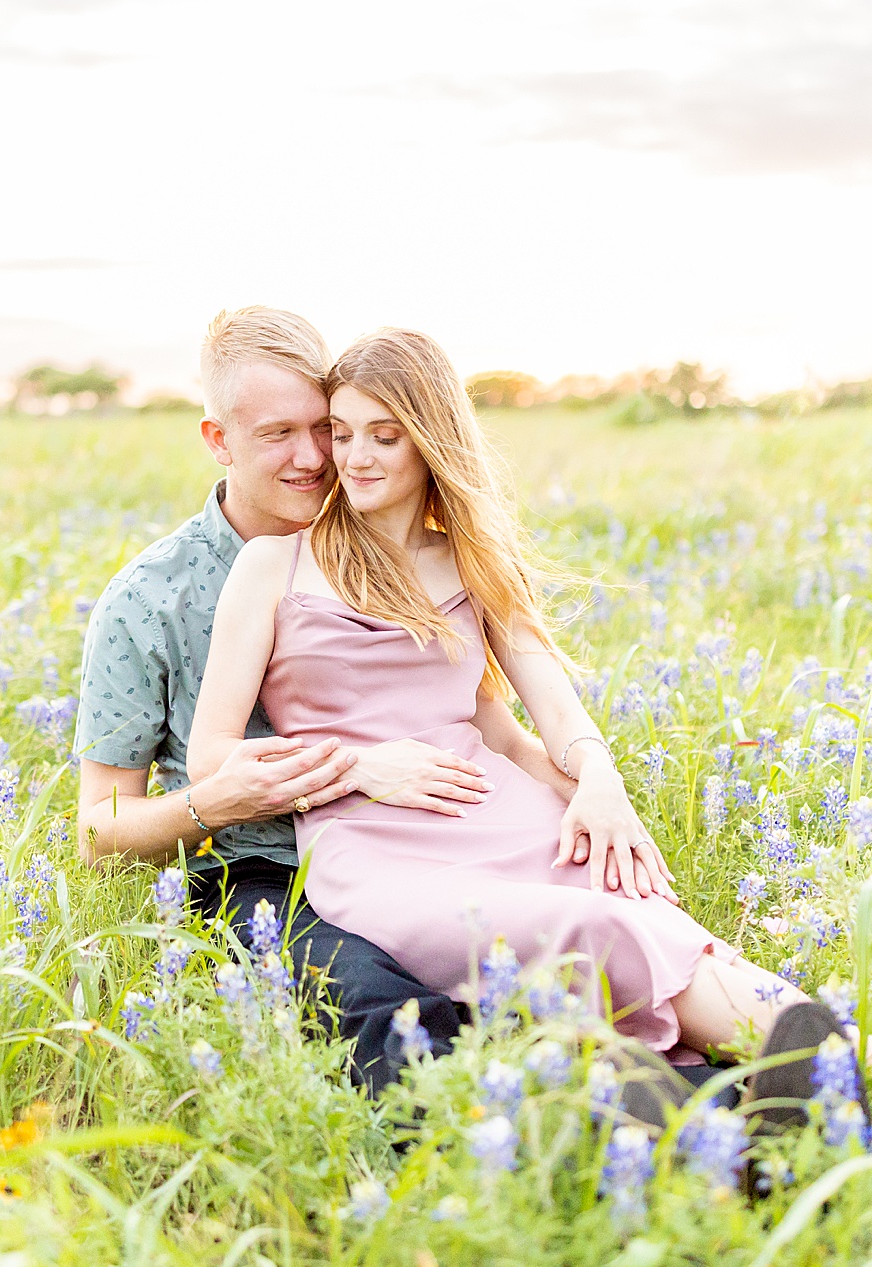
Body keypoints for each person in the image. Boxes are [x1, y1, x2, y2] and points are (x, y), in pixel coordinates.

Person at [187, 326, 872, 1120]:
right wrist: (356, 764)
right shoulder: (274, 564)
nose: (354, 457)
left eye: (385, 435)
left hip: (507, 811)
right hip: (376, 848)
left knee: (646, 907)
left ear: (432, 443)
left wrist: (602, 786)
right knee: (605, 931)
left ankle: (834, 1092)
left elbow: (547, 702)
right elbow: (211, 757)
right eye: (343, 434)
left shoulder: (466, 559)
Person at [75, 306, 577, 1095]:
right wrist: (210, 804)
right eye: (278, 434)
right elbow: (101, 829)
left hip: (431, 842)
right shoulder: (150, 599)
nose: (314, 458)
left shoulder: (399, 542)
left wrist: (596, 796)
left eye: (327, 428)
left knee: (566, 958)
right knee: (391, 1011)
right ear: (218, 439)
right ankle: (501, 1140)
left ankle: (674, 1097)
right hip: (267, 873)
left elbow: (488, 724)